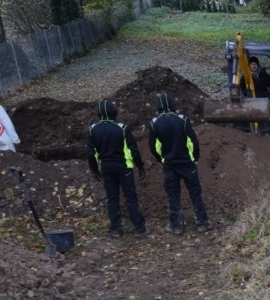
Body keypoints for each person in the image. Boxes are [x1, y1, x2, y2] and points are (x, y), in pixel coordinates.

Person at [147, 93, 211, 233]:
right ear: (172, 105)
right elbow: (192, 141)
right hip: (187, 163)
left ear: (159, 107)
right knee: (195, 193)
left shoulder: (154, 123)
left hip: (169, 165)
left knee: (173, 195)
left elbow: (154, 146)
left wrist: (162, 159)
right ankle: (202, 222)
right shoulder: (182, 119)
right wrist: (194, 158)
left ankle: (176, 226)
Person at [87, 99, 147, 237]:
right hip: (124, 167)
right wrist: (140, 167)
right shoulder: (122, 128)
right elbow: (134, 150)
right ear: (112, 112)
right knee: (131, 197)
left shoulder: (92, 130)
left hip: (106, 168)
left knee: (112, 198)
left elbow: (91, 154)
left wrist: (95, 170)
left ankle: (116, 229)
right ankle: (139, 229)